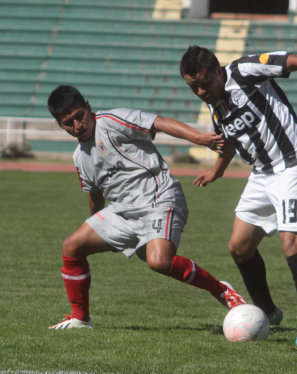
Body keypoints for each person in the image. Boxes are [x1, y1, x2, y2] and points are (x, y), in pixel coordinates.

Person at [180, 46, 297, 345]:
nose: (200, 91)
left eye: (204, 83)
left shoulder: (244, 71)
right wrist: (218, 170)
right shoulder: (215, 104)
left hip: (294, 164)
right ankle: (268, 311)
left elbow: (293, 60)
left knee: (293, 242)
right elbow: (231, 140)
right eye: (192, 86)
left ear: (219, 72)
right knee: (239, 247)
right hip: (262, 173)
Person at [47, 85, 246, 329]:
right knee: (71, 246)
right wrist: (98, 226)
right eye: (69, 122)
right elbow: (95, 194)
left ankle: (221, 290)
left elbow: (158, 122)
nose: (78, 124)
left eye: (80, 116)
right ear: (60, 125)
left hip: (160, 198)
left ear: (88, 107)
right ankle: (80, 318)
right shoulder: (80, 156)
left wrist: (198, 138)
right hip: (122, 212)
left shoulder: (111, 121)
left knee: (159, 262)